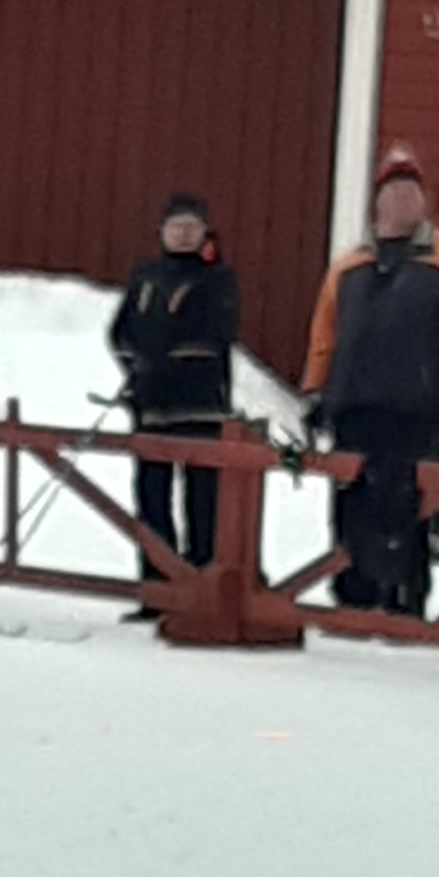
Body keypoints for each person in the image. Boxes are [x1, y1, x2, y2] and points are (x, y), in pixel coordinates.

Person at [302, 144, 439, 617]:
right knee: (351, 505)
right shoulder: (348, 265)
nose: (404, 202)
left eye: (413, 192)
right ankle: (353, 598)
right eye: (395, 192)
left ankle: (405, 604)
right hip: (354, 409)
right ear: (378, 202)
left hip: (418, 411)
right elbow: (325, 334)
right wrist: (314, 391)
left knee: (411, 508)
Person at [109, 190, 240, 615]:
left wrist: (162, 363)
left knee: (202, 501)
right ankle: (157, 588)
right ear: (162, 231)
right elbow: (121, 331)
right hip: (150, 407)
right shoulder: (145, 277)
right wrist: (135, 365)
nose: (183, 234)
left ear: (205, 232)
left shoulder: (217, 279)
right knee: (151, 498)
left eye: (191, 226)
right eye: (175, 226)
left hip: (200, 406)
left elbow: (212, 336)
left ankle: (199, 588)